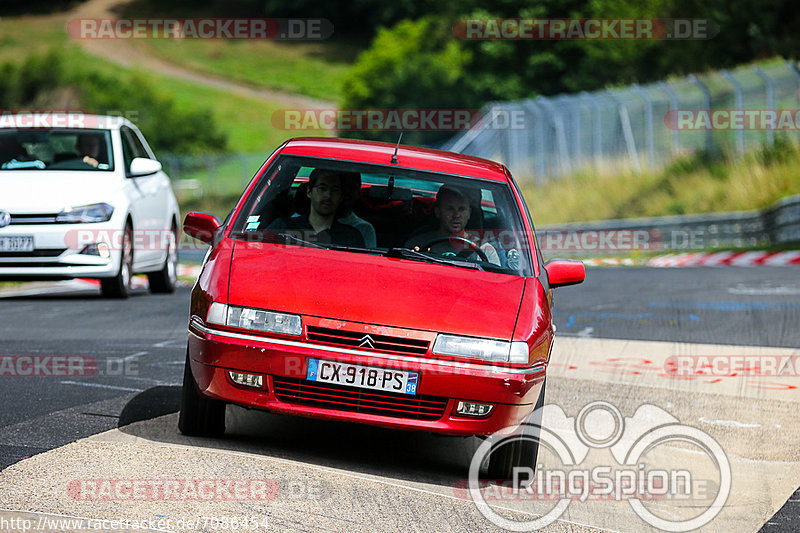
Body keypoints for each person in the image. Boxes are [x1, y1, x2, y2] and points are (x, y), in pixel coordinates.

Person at [268, 169, 365, 248]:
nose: (328, 195)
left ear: (341, 197)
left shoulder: (351, 237)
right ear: (309, 192)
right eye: (322, 188)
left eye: (335, 190)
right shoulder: (283, 227)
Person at [406, 185, 500, 265]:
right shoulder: (416, 245)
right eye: (450, 209)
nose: (456, 215)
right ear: (438, 212)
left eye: (462, 209)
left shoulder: (485, 250)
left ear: (469, 213)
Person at [338, 172, 377, 248]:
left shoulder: (364, 228)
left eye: (352, 188)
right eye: (343, 187)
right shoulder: (315, 224)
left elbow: (370, 256)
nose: (347, 193)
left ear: (359, 192)